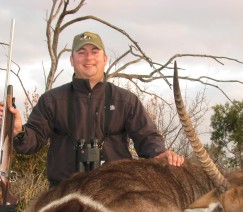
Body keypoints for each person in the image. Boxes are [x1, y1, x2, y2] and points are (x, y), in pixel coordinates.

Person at [0, 31, 184, 189]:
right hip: (64, 191)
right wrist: (18, 131)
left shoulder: (126, 100)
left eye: (95, 52)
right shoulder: (52, 100)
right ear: (72, 60)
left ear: (105, 59)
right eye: (81, 52)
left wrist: (160, 154)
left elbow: (147, 137)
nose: (88, 57)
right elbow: (31, 142)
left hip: (115, 191)